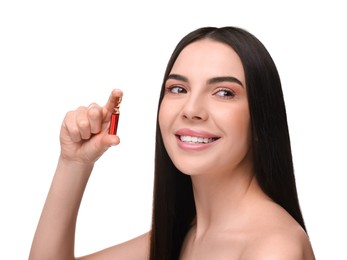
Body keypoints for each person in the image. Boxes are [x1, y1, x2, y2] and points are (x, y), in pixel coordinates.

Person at [29, 26, 315, 260]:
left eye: (224, 93)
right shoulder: (185, 235)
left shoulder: (274, 248)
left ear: (261, 117)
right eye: (178, 88)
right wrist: (74, 162)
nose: (191, 109)